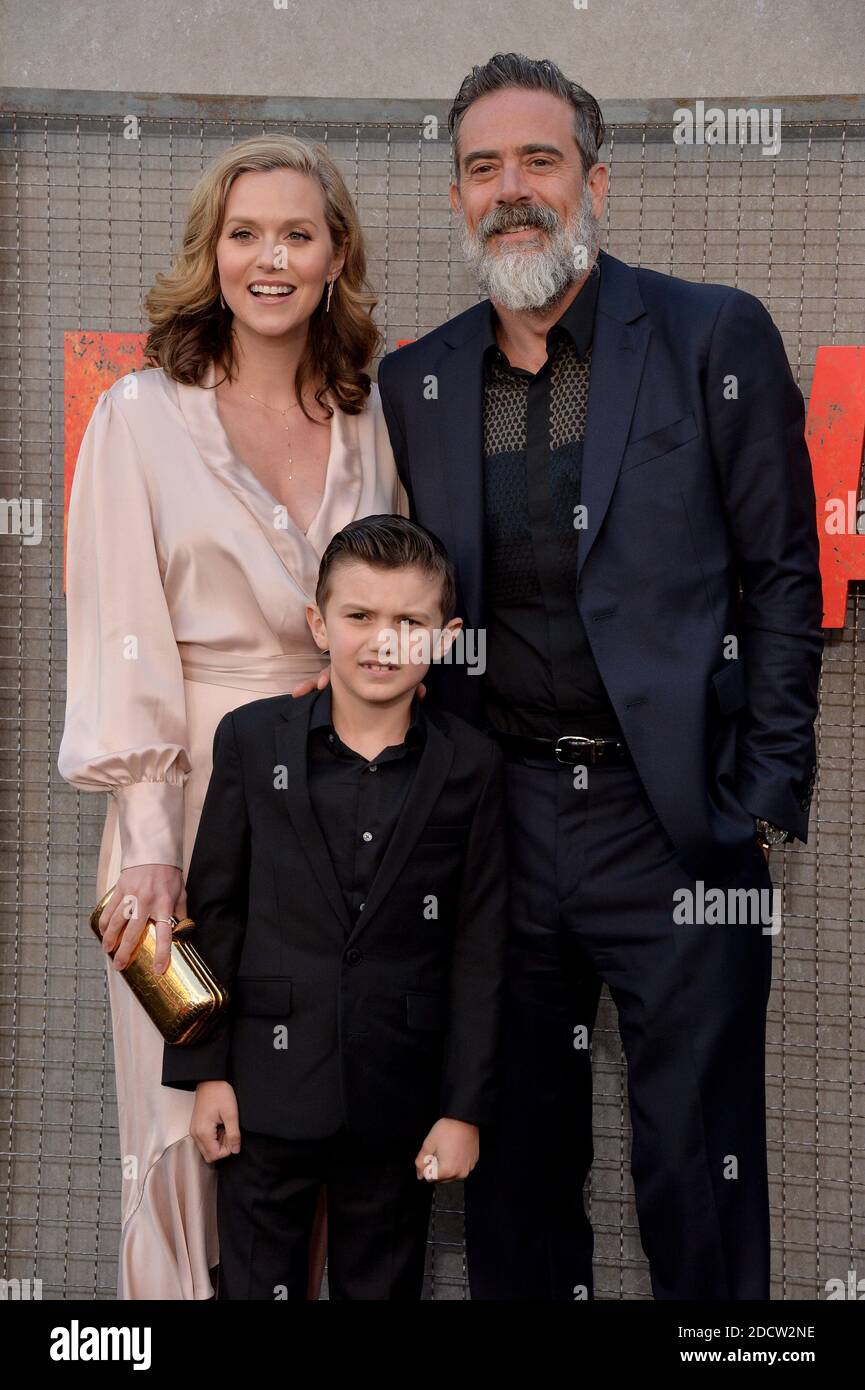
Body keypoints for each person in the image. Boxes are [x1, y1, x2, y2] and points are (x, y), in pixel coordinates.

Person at [370, 54, 824, 1299]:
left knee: (698, 1156)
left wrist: (765, 787)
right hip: (496, 824)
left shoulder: (706, 332)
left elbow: (783, 573)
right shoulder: (414, 382)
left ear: (594, 181)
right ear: (456, 196)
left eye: (537, 160)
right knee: (511, 1160)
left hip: (671, 819)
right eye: (481, 168)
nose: (510, 190)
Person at [57, 134, 407, 1299]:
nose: (270, 258)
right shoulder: (139, 419)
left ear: (334, 253)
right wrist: (151, 853)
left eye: (296, 233)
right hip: (180, 818)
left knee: (311, 1124)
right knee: (184, 1119)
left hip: (336, 815)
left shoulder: (365, 418)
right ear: (210, 257)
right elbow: (120, 638)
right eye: (244, 233)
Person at [160, 515, 509, 1299]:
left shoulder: (472, 767)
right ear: (319, 623)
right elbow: (212, 910)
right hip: (258, 1094)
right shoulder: (252, 740)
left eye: (408, 622)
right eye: (359, 616)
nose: (382, 641)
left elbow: (480, 947)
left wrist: (463, 1110)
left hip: (398, 1101)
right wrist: (203, 1072)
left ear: (445, 639)